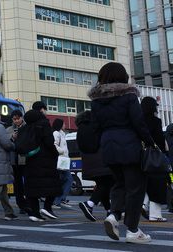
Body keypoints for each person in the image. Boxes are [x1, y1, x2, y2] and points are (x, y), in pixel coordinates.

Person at [88, 62, 153, 243]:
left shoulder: (96, 101)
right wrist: (150, 142)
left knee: (119, 184)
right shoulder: (129, 96)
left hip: (108, 147)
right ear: (123, 76)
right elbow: (138, 122)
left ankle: (114, 215)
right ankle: (132, 230)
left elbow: (95, 127)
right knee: (136, 188)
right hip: (129, 145)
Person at [23, 101, 61, 222]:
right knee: (53, 183)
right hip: (45, 160)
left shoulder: (27, 125)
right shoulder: (44, 123)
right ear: (42, 110)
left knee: (33, 187)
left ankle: (35, 214)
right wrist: (55, 153)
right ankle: (47, 207)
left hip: (30, 159)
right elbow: (49, 142)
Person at [75, 111, 114, 222]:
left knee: (102, 185)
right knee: (108, 183)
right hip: (101, 161)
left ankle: (109, 209)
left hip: (88, 163)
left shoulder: (80, 129)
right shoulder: (97, 126)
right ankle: (89, 203)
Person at [140, 97, 168, 222]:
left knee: (145, 183)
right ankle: (155, 214)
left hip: (141, 156)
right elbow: (160, 140)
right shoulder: (156, 121)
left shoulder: (138, 121)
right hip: (155, 157)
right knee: (158, 184)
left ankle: (143, 205)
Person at [6, 110, 28, 214]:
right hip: (14, 160)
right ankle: (21, 205)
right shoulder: (9, 130)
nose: (16, 121)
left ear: (22, 118)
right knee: (17, 185)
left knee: (28, 183)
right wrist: (12, 138)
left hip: (25, 159)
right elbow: (5, 143)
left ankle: (29, 203)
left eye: (18, 118)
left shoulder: (27, 128)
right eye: (14, 119)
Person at [52, 119, 73, 209]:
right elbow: (54, 145)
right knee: (67, 180)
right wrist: (62, 151)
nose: (64, 125)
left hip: (64, 161)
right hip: (60, 160)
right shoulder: (56, 133)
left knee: (65, 180)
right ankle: (57, 201)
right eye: (63, 123)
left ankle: (59, 200)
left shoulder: (62, 134)